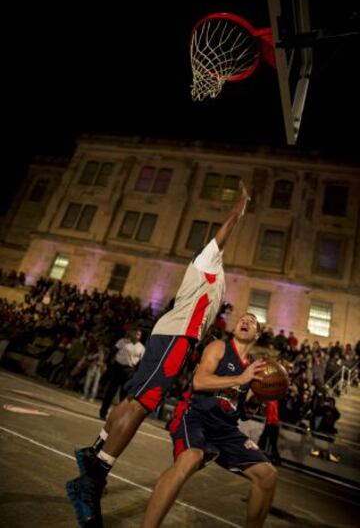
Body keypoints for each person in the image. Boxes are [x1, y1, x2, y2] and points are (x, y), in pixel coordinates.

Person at [66, 182, 251, 527]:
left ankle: (96, 452)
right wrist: (239, 207)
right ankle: (92, 479)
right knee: (142, 403)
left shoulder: (212, 279)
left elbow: (202, 315)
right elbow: (223, 231)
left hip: (176, 336)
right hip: (175, 337)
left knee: (135, 398)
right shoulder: (208, 258)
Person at [141, 313, 277, 528]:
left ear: (257, 334)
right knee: (191, 458)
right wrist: (241, 379)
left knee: (268, 475)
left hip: (225, 428)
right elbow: (200, 381)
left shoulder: (253, 366)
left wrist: (258, 397)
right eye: (242, 318)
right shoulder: (219, 347)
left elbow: (242, 410)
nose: (245, 321)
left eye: (251, 321)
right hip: (195, 415)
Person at [99, 329, 144, 419]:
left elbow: (141, 363)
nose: (137, 335)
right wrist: (105, 363)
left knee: (124, 396)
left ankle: (120, 416)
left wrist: (137, 374)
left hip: (129, 371)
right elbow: (112, 352)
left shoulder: (142, 348)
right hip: (117, 368)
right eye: (136, 333)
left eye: (139, 334)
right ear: (132, 333)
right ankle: (103, 413)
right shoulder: (123, 341)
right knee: (110, 392)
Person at [258, 400, 281, 466]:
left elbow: (270, 414)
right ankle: (277, 459)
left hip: (271, 424)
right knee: (271, 443)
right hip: (274, 424)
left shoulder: (270, 402)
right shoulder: (274, 401)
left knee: (265, 440)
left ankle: (277, 459)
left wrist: (268, 423)